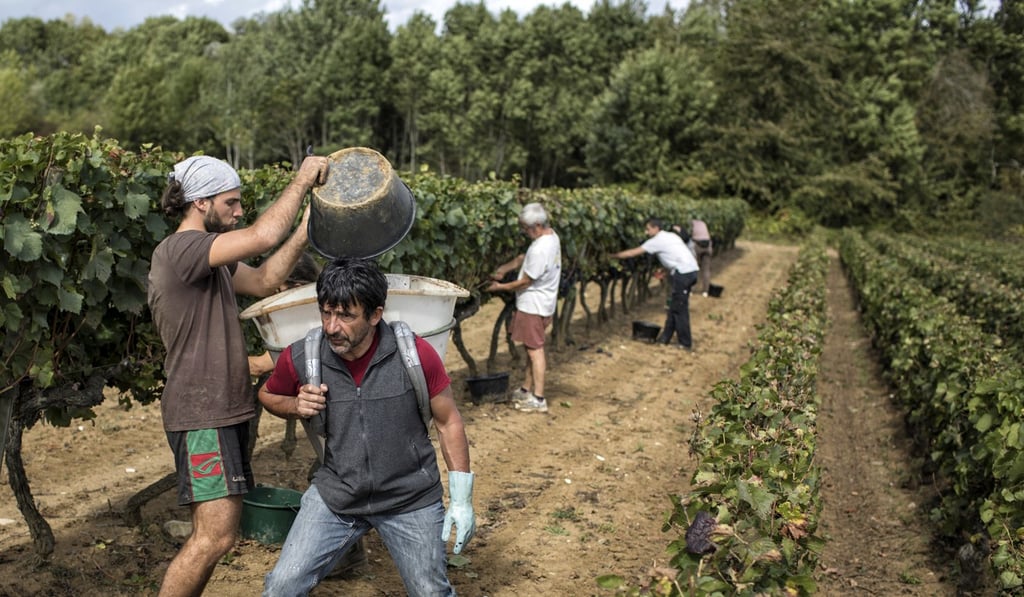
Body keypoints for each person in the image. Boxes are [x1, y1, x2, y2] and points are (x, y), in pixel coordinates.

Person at [147, 153, 328, 597]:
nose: (239, 210)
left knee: (212, 536)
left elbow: (266, 280)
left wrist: (306, 227)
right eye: (231, 202)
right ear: (200, 203)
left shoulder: (211, 262)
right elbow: (263, 235)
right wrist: (303, 179)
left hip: (220, 411)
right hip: (202, 413)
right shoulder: (182, 249)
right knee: (215, 537)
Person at [257, 258, 475, 597]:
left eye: (345, 315)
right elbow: (268, 394)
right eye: (326, 312)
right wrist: (294, 404)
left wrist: (461, 499)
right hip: (338, 495)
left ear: (375, 315)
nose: (331, 326)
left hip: (409, 498)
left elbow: (448, 422)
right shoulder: (304, 356)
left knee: (431, 592)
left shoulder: (414, 355)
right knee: (282, 587)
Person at [487, 202, 562, 414]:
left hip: (533, 305)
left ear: (537, 225)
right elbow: (523, 258)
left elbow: (525, 282)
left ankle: (538, 398)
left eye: (526, 228)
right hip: (545, 303)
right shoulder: (551, 237)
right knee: (531, 348)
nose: (524, 232)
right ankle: (526, 388)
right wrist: (504, 269)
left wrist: (499, 287)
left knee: (535, 351)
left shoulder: (541, 248)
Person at [610, 217, 699, 351]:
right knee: (674, 306)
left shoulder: (656, 241)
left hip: (684, 273)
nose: (646, 232)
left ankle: (685, 343)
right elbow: (676, 254)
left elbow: (633, 252)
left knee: (680, 309)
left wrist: (612, 256)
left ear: (656, 228)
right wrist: (666, 269)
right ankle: (665, 338)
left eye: (648, 229)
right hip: (689, 271)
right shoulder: (671, 236)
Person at [690, 218, 713, 296]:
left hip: (697, 244)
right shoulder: (703, 223)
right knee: (706, 269)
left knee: (693, 267)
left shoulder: (690, 223)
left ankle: (691, 290)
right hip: (708, 245)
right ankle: (705, 291)